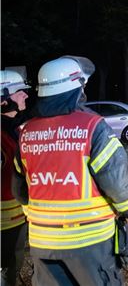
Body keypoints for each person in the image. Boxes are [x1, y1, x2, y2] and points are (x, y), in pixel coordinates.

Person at [11, 56, 128, 285]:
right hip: (90, 243)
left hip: (43, 242)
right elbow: (116, 182)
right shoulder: (92, 127)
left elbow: (20, 190)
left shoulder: (25, 132)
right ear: (77, 88)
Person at [1, 70, 31, 286]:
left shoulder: (16, 129)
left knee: (14, 262)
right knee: (7, 268)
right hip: (4, 223)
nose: (26, 96)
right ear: (3, 100)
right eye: (20, 92)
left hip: (17, 217)